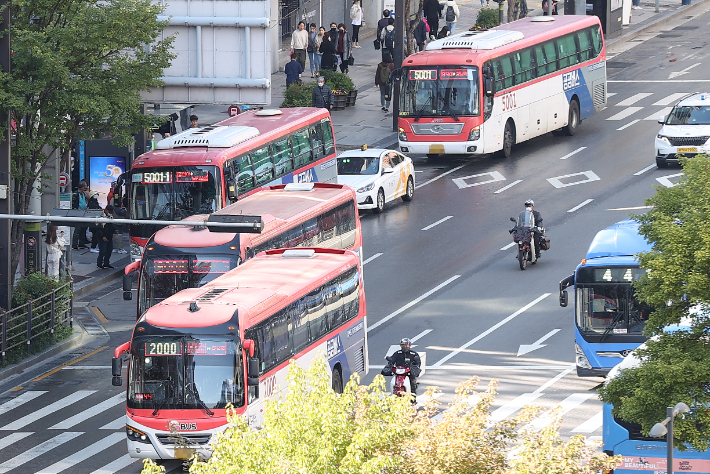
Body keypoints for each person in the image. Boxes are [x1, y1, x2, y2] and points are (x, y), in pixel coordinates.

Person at [382, 338, 421, 402]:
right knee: (394, 382)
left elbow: (418, 363)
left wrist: (415, 368)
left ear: (409, 345)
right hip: (399, 372)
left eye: (406, 345)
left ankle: (413, 400)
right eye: (403, 345)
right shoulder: (397, 353)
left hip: (409, 372)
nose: (405, 347)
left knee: (413, 383)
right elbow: (392, 360)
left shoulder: (413, 354)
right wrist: (390, 365)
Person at [71, 180, 89, 249]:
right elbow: (73, 205)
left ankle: (81, 242)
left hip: (84, 213)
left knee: (83, 229)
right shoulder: (75, 194)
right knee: (77, 229)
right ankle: (74, 244)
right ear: (82, 187)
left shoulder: (83, 194)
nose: (86, 188)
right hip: (77, 214)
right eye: (85, 186)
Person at [97, 205, 116, 269]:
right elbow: (98, 228)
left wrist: (115, 230)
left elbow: (111, 225)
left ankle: (106, 263)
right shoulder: (101, 216)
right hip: (102, 237)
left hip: (109, 236)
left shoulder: (110, 216)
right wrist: (102, 236)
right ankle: (99, 263)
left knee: (109, 250)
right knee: (103, 251)